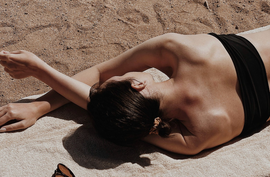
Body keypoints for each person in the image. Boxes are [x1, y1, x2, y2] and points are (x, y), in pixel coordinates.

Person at [0, 31, 270, 155]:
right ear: (138, 85)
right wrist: (39, 69)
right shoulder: (182, 50)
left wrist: (39, 105)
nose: (114, 75)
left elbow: (119, 111)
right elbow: (101, 74)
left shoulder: (197, 136)